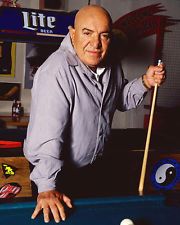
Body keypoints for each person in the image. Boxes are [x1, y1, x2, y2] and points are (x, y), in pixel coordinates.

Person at [23, 4, 166, 223]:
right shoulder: (56, 71)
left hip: (92, 169)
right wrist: (47, 186)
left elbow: (119, 100)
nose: (95, 43)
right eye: (87, 33)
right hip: (56, 175)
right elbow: (48, 135)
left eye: (104, 35)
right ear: (72, 34)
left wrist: (145, 82)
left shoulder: (110, 64)